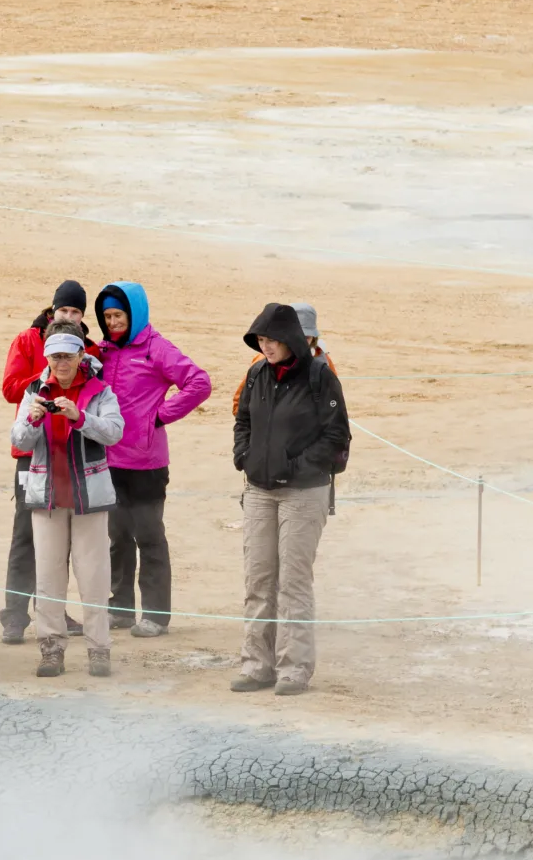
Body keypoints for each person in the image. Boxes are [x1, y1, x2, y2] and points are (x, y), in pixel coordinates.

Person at [231, 303, 352, 697]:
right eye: (261, 340)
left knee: (294, 582)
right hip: (260, 491)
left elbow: (337, 436)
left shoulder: (320, 377)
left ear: (292, 340)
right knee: (259, 579)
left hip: (304, 492)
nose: (266, 347)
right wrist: (243, 455)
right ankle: (256, 665)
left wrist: (298, 465)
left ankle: (294, 669)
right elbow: (243, 419)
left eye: (273, 340)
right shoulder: (255, 375)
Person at [93, 280, 212, 639]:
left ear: (135, 313)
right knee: (116, 537)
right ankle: (121, 608)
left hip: (146, 462)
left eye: (119, 316)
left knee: (149, 536)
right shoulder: (102, 352)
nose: (113, 323)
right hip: (109, 460)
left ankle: (157, 615)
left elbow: (199, 382)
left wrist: (159, 416)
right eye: (108, 316)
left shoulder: (156, 349)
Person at [9, 322, 125, 678]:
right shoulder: (34, 390)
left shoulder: (99, 391)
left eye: (68, 356)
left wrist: (80, 418)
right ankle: (51, 649)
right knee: (48, 577)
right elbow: (19, 441)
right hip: (47, 497)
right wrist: (32, 419)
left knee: (93, 575)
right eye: (55, 356)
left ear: (80, 355)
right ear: (47, 357)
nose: (61, 363)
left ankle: (98, 649)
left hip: (88, 498)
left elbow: (115, 431)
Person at [0, 280, 93, 644]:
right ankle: (15, 615)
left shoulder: (88, 349)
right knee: (25, 535)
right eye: (62, 310)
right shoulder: (28, 340)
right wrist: (45, 382)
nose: (67, 316)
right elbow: (9, 388)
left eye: (74, 312)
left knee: (62, 538)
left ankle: (53, 611)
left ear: (82, 316)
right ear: (52, 310)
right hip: (32, 453)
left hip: (72, 452)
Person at [231, 300, 337, 414]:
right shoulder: (263, 361)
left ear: (313, 338)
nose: (300, 343)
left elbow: (333, 405)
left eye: (306, 337)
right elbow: (239, 405)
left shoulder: (322, 361)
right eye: (298, 336)